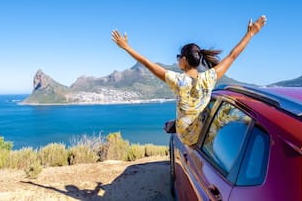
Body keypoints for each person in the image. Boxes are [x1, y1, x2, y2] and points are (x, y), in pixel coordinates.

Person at [111, 15, 267, 145]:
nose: (177, 59)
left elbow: (147, 63)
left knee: (173, 125)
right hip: (206, 135)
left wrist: (126, 47)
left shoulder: (177, 80)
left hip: (188, 138)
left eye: (179, 57)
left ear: (184, 60)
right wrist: (251, 33)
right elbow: (232, 56)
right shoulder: (209, 77)